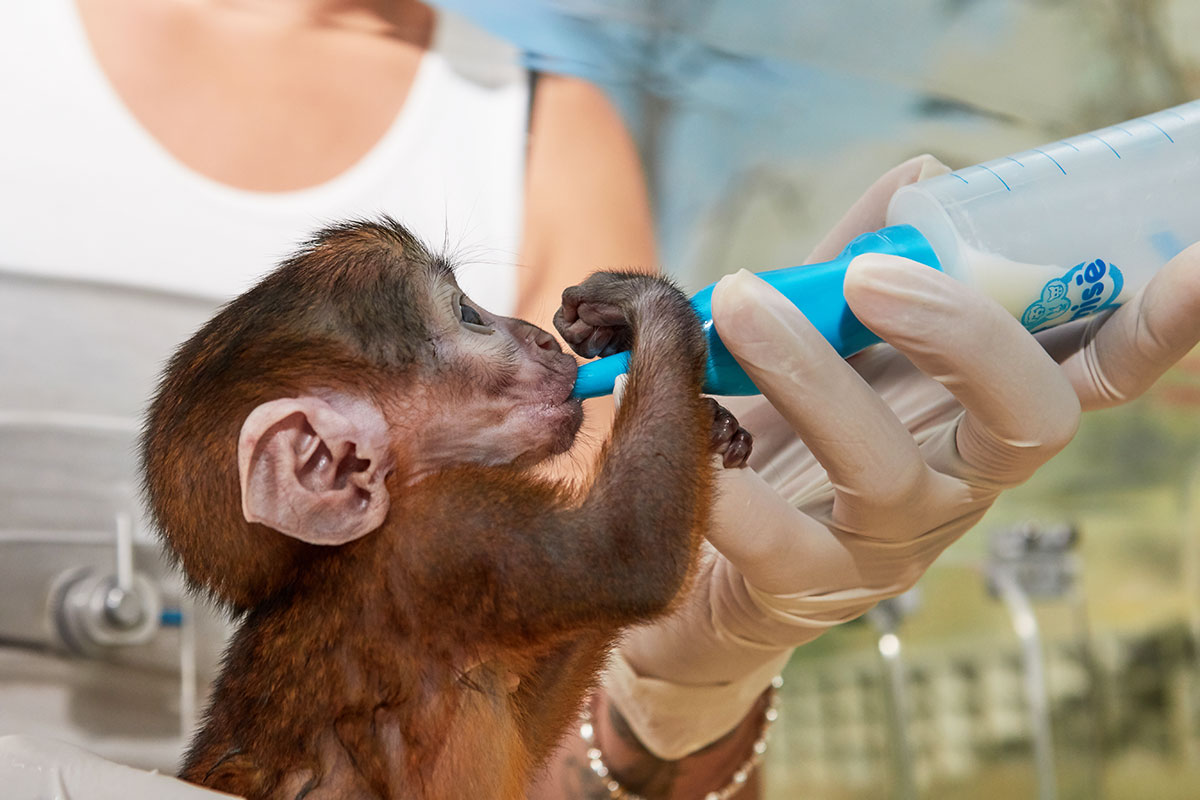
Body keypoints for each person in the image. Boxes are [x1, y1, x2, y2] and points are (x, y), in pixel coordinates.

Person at [1, 3, 1198, 800]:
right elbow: (624, 557)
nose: (531, 337)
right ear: (332, 466)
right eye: (466, 323)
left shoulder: (539, 121)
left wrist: (682, 700)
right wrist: (667, 327)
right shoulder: (432, 528)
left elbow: (574, 678)